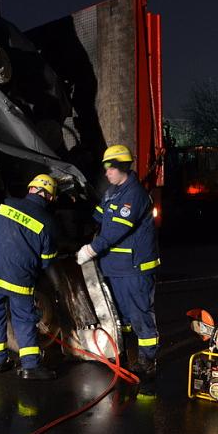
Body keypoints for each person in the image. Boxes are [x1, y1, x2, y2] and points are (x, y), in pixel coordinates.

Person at [76, 144, 160, 379]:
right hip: (115, 269)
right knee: (120, 317)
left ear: (122, 167)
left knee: (140, 315)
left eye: (109, 168)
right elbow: (98, 216)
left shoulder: (134, 195)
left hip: (134, 270)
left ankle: (147, 360)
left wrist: (91, 249)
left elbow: (114, 231)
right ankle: (121, 352)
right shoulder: (113, 192)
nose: (106, 173)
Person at [0, 174, 59, 380]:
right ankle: (30, 367)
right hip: (18, 280)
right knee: (24, 320)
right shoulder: (48, 223)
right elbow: (47, 260)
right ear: (50, 198)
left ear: (30, 189)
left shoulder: (6, 205)